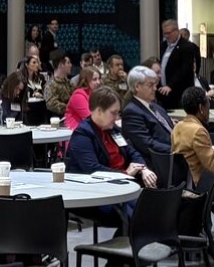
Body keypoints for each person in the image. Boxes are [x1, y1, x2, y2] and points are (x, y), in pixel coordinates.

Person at [65, 88, 159, 231]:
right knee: (137, 216)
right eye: (113, 113)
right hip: (98, 193)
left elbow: (132, 152)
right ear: (98, 111)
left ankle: (143, 247)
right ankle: (130, 250)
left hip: (123, 185)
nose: (116, 118)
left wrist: (144, 169)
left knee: (153, 207)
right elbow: (93, 170)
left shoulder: (112, 129)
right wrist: (125, 174)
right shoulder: (83, 135)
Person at [172, 86, 214, 191]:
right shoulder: (198, 131)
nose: (209, 107)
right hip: (200, 187)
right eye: (208, 103)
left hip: (182, 186)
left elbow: (191, 155)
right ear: (201, 108)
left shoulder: (178, 127)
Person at [120, 66, 177, 162]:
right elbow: (147, 144)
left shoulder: (157, 107)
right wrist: (176, 150)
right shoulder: (131, 112)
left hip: (175, 153)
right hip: (161, 161)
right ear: (137, 87)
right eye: (150, 85)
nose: (155, 88)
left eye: (155, 85)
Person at [158, 18, 200, 102]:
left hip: (179, 93)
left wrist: (171, 85)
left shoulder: (187, 47)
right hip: (163, 92)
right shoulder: (162, 46)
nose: (166, 36)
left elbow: (184, 70)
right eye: (164, 33)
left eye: (168, 33)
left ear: (176, 31)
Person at [61, 66, 99, 130]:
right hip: (74, 132)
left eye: (99, 79)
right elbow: (90, 119)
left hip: (89, 129)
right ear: (86, 80)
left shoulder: (95, 94)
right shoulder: (78, 96)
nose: (98, 82)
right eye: (94, 79)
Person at [43, 53, 76, 118]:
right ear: (61, 65)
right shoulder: (51, 85)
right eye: (68, 63)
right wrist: (71, 108)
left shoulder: (68, 82)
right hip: (59, 119)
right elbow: (51, 104)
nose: (71, 65)